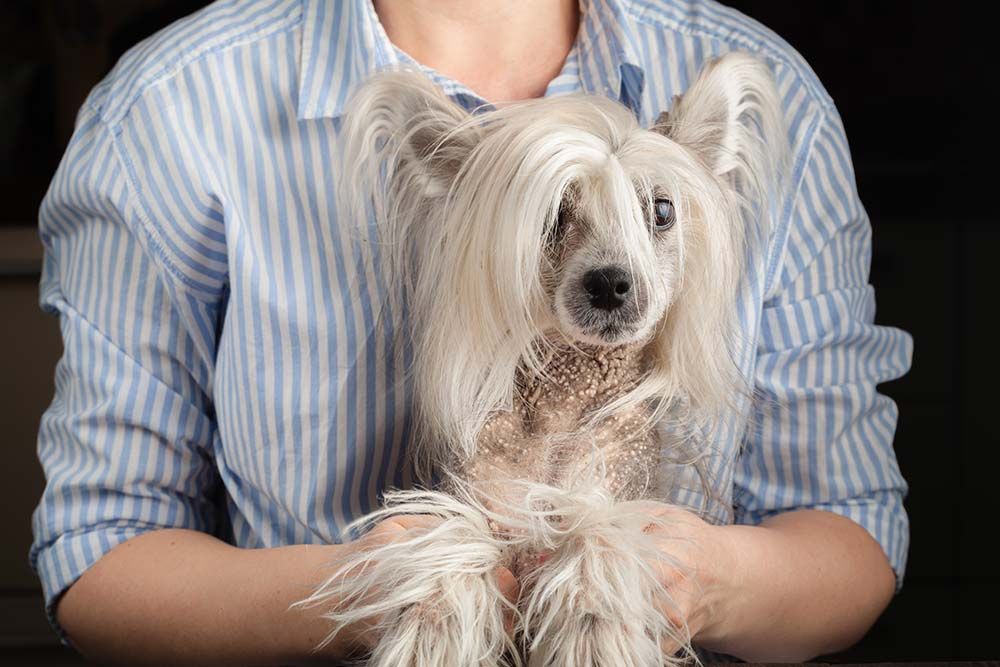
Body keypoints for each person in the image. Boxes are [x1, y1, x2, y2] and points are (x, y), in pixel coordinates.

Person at [30, 0, 912, 664]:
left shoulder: (767, 87)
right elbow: (104, 554)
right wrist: (367, 593)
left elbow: (848, 534)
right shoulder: (172, 112)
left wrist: (694, 579)